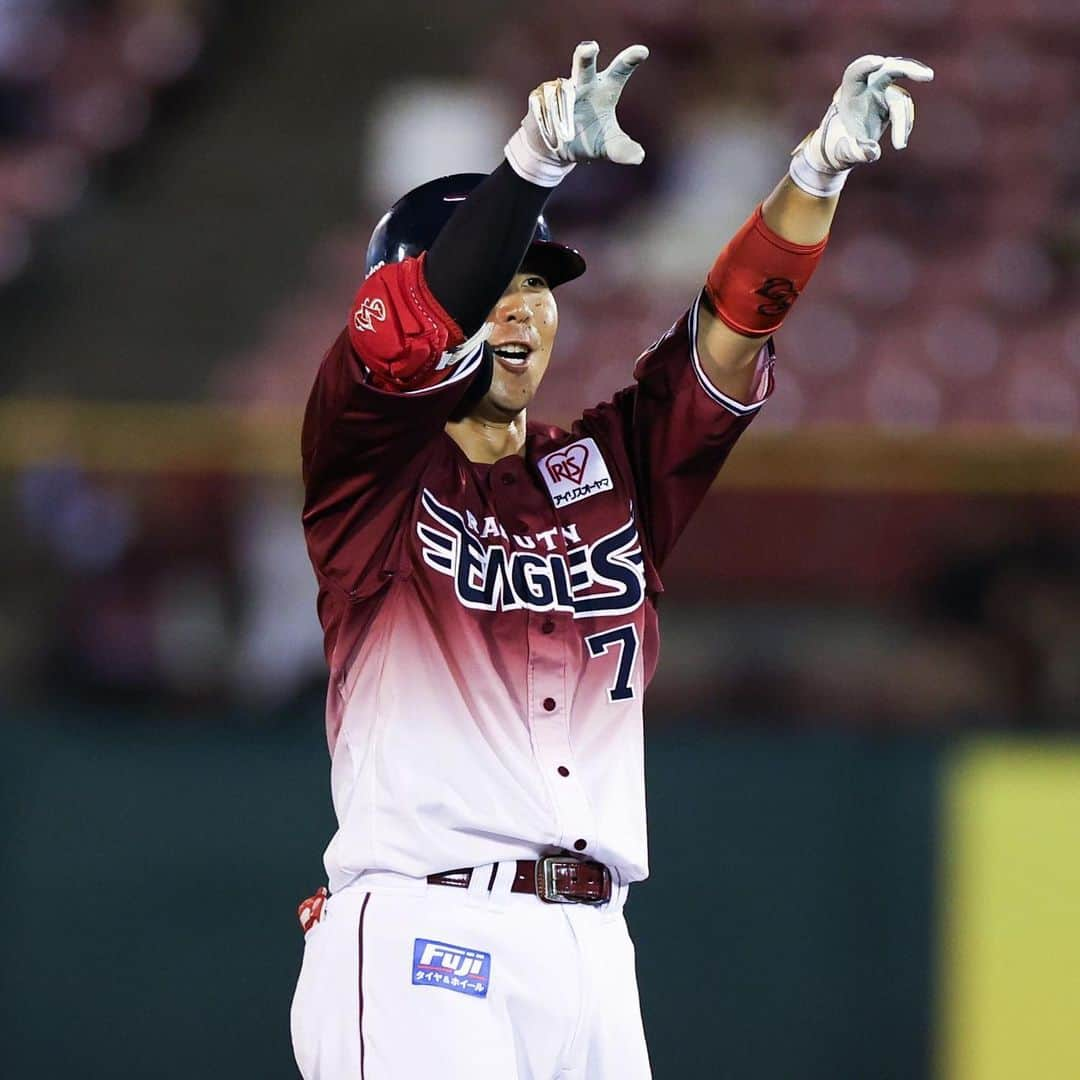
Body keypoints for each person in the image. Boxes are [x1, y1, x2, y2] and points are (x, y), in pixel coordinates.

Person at [290, 41, 933, 1080]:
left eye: (539, 285)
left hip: (593, 951)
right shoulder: (364, 462)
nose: (523, 308)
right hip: (422, 925)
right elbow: (413, 338)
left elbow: (722, 340)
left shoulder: (610, 472)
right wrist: (536, 159)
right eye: (498, 282)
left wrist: (813, 178)